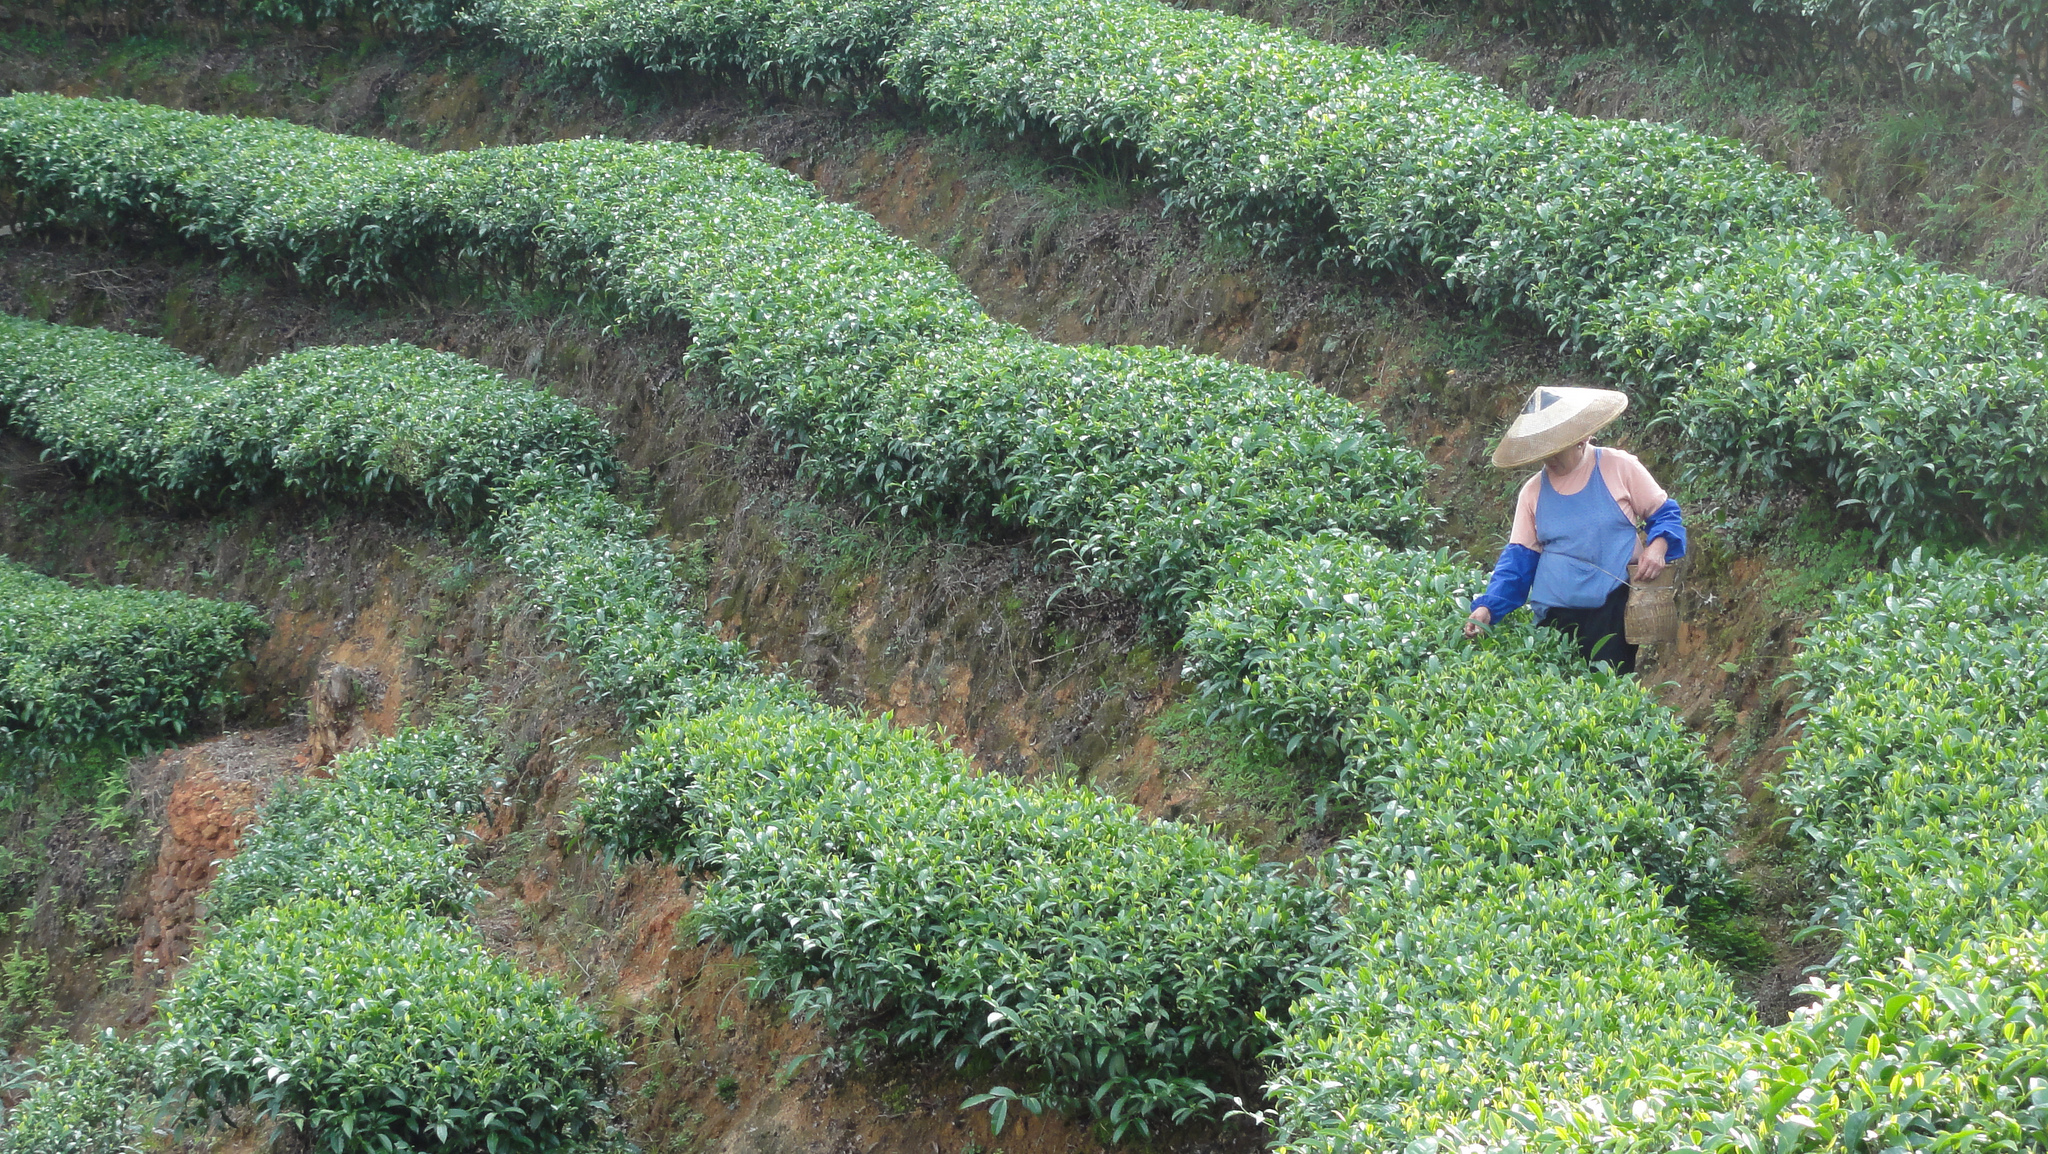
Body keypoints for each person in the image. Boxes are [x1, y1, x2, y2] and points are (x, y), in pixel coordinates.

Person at [1461, 386, 1686, 674]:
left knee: (1608, 690)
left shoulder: (1618, 467)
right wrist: (1488, 607)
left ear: (1581, 439)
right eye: (1543, 450)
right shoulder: (1533, 493)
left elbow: (1665, 513)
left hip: (1611, 610)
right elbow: (1518, 560)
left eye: (1557, 448)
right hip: (1553, 615)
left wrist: (1658, 547)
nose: (1549, 458)